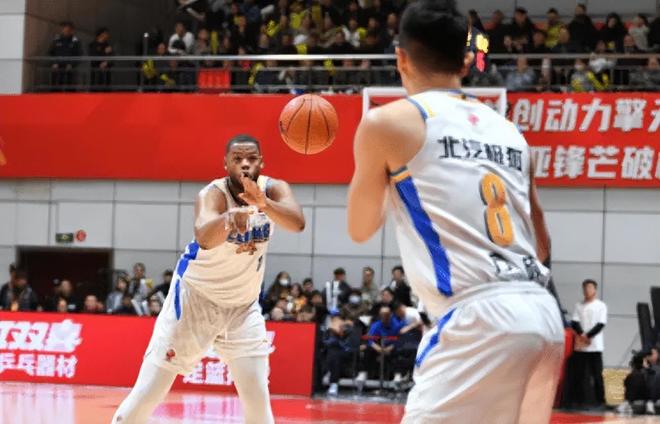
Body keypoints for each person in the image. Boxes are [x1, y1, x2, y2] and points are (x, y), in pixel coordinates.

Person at [346, 1, 564, 422]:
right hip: (542, 311)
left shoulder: (387, 123)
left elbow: (360, 228)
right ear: (466, 60)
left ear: (401, 58)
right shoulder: (509, 130)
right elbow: (542, 243)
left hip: (478, 316)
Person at [112, 134, 305, 424]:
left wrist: (263, 204)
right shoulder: (212, 194)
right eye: (237, 158)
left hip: (242, 307)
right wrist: (228, 219)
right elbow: (203, 236)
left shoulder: (273, 189)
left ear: (261, 162)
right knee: (149, 393)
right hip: (195, 299)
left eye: (251, 158)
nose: (245, 164)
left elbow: (297, 223)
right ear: (225, 163)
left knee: (258, 401)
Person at [568, 279, 608, 409]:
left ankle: (601, 401)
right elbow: (574, 322)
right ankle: (579, 401)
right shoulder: (578, 305)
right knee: (579, 374)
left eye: (590, 288)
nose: (587, 290)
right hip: (580, 346)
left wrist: (588, 335)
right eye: (585, 288)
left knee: (597, 375)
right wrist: (582, 335)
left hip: (595, 346)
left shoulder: (601, 305)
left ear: (595, 290)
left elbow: (601, 324)